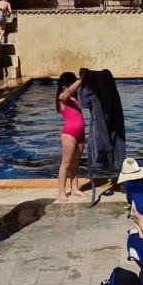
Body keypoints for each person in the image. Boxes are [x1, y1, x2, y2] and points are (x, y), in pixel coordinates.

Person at [56, 71, 87, 201]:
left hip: (80, 134)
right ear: (66, 85)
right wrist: (80, 79)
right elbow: (67, 94)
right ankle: (62, 192)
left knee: (75, 163)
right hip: (69, 135)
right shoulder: (62, 98)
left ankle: (74, 188)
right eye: (73, 82)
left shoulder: (74, 99)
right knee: (66, 164)